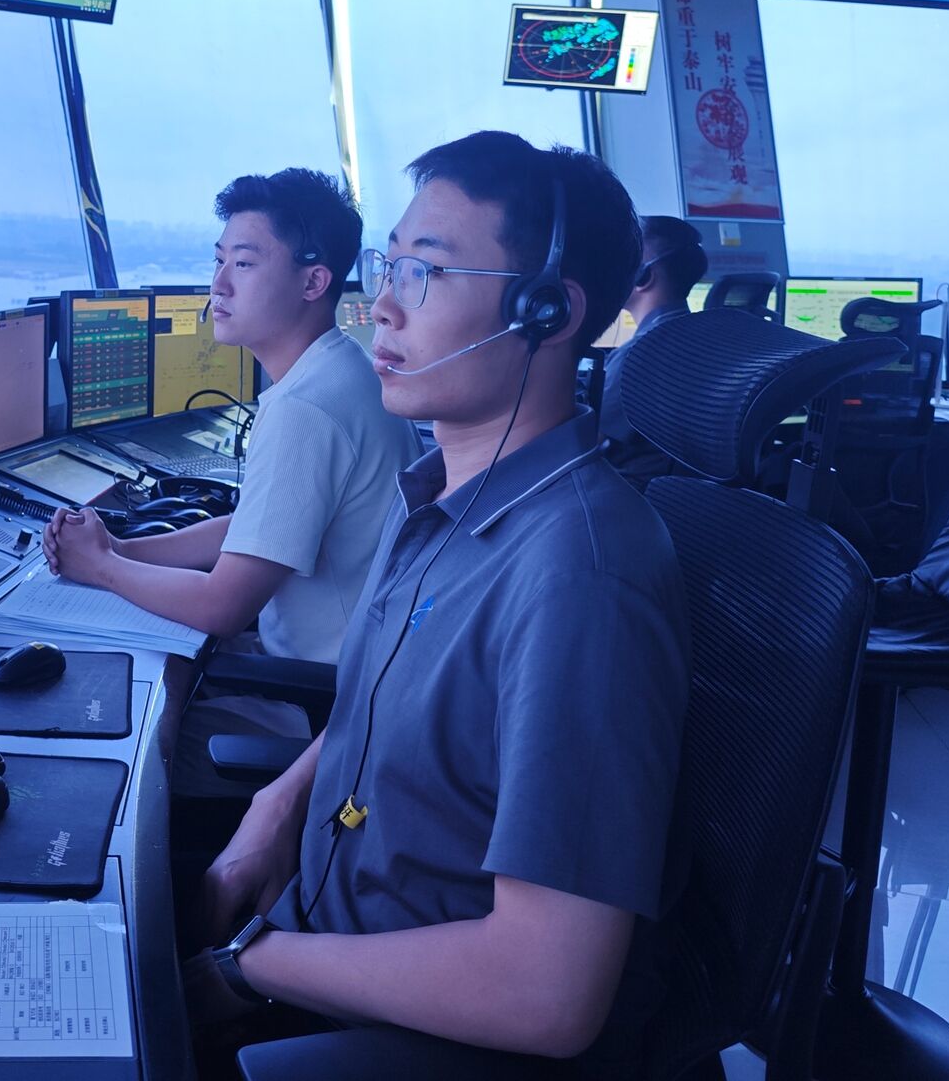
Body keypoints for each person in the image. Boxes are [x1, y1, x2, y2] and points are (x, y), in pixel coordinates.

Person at [186, 131, 689, 1072]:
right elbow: (378, 709)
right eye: (390, 265)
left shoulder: (578, 580)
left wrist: (247, 968)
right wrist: (276, 806)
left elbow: (544, 990)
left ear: (546, 311)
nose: (381, 303)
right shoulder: (438, 499)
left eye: (425, 271)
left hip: (389, 1023)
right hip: (317, 924)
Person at [42, 167, 420, 665]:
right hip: (351, 664)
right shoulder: (343, 368)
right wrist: (120, 549)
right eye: (219, 260)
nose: (218, 284)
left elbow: (221, 607)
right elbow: (255, 531)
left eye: (243, 264)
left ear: (313, 282)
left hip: (314, 692)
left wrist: (99, 568)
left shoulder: (304, 409)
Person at [599, 215, 706, 480]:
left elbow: (586, 441)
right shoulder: (701, 339)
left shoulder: (638, 355)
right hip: (678, 491)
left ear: (643, 275)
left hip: (631, 492)